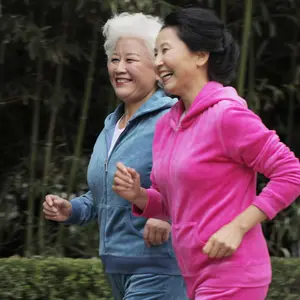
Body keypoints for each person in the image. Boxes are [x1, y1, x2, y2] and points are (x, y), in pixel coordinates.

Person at [112, 7, 300, 300]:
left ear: (201, 56)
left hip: (234, 274)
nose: (157, 62)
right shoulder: (166, 126)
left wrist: (238, 227)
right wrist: (138, 195)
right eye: (155, 53)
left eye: (165, 50)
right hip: (194, 275)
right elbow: (175, 206)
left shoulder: (228, 116)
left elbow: (291, 172)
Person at [43, 12, 188, 300]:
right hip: (116, 268)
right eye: (114, 59)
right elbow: (101, 198)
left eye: (130, 60)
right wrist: (71, 209)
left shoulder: (174, 119)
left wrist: (167, 217)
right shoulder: (112, 126)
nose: (119, 68)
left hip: (160, 268)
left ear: (157, 67)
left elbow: (201, 185)